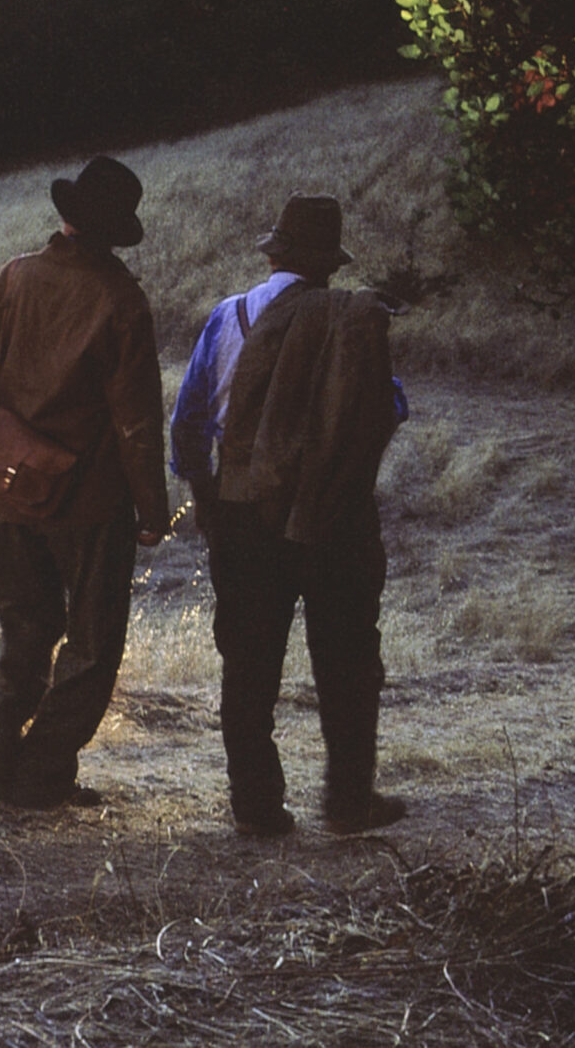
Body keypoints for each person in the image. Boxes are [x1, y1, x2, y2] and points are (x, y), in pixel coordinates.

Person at [170, 195, 408, 836]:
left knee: (248, 661)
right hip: (336, 513)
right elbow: (388, 409)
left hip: (244, 512)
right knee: (348, 658)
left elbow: (188, 424)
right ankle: (348, 801)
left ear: (272, 253)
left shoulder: (228, 317)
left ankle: (257, 807)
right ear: (329, 266)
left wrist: (209, 502)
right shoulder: (353, 319)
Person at [0, 156, 171, 809]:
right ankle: (45, 770)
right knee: (91, 642)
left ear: (67, 216)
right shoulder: (121, 299)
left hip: (15, 488)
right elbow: (135, 420)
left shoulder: (13, 276)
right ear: (114, 231)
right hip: (90, 499)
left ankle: (0, 749)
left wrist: (5, 461)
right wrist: (151, 507)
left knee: (24, 624)